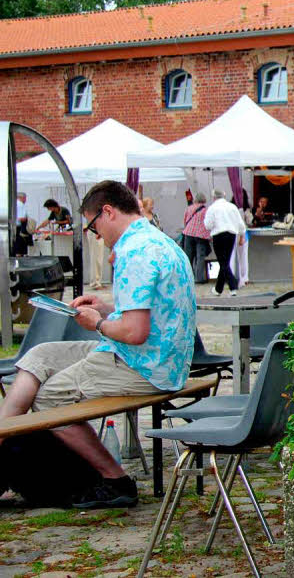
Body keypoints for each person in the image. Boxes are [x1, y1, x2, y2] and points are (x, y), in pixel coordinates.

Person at [0, 180, 196, 508]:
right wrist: (105, 308)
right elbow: (151, 313)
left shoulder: (134, 252)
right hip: (160, 358)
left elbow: (134, 333)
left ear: (107, 212)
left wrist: (98, 324)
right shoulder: (160, 241)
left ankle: (114, 479)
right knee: (41, 354)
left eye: (93, 226)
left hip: (145, 364)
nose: (96, 235)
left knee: (50, 397)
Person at [203, 189, 246, 297]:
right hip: (231, 235)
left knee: (223, 262)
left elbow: (208, 225)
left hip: (218, 235)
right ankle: (218, 289)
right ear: (224, 195)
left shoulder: (212, 208)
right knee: (225, 261)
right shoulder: (232, 207)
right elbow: (240, 223)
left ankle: (233, 285)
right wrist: (242, 236)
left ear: (213, 197)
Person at [181, 193, 211, 284]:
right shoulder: (206, 210)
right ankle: (199, 278)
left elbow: (185, 221)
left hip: (188, 234)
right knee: (200, 257)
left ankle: (188, 278)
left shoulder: (189, 208)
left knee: (188, 257)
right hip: (200, 235)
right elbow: (208, 223)